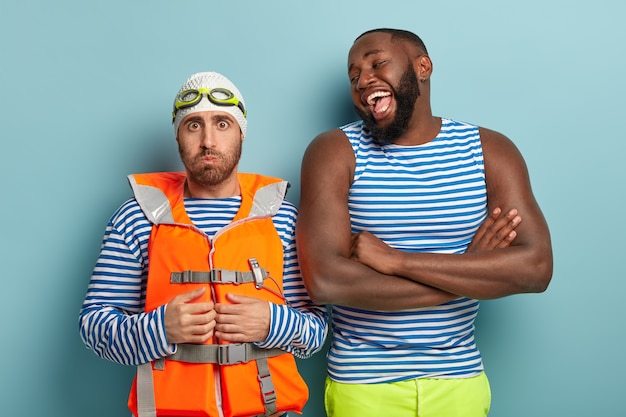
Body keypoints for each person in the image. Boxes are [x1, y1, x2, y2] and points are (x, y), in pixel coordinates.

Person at [296, 28, 553, 417]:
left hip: (460, 383)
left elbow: (535, 269)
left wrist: (395, 260)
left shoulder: (490, 151)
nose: (364, 81)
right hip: (363, 386)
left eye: (377, 63)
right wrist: (469, 273)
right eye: (354, 77)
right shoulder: (334, 151)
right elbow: (326, 281)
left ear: (422, 67)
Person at [79, 71, 328, 417]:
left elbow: (316, 330)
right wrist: (161, 328)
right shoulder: (136, 217)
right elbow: (94, 326)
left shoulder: (282, 218)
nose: (208, 140)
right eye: (194, 125)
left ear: (241, 133)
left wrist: (271, 323)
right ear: (178, 136)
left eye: (222, 124)